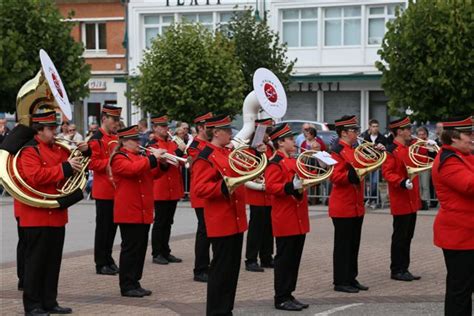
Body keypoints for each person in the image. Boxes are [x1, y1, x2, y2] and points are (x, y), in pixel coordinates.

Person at [15, 111, 89, 315]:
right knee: (35, 264)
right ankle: (32, 305)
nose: (56, 132)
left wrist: (85, 152)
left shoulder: (58, 148)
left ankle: (49, 301)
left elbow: (76, 167)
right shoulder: (29, 151)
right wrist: (65, 168)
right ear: (40, 130)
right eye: (51, 129)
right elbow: (35, 176)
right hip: (36, 215)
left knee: (52, 262)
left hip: (56, 214)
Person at [193, 115, 248, 316]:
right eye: (227, 130)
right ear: (216, 132)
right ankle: (216, 311)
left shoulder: (227, 152)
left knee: (232, 271)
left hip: (236, 219)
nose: (231, 133)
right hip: (221, 220)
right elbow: (200, 188)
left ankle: (226, 309)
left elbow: (241, 172)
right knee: (220, 271)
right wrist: (223, 187)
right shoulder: (205, 156)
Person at [110, 125, 167, 298]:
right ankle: (126, 285)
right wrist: (152, 158)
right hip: (129, 211)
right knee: (130, 249)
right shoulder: (119, 158)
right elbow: (133, 170)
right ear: (124, 142)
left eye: (138, 139)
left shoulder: (138, 157)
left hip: (143, 210)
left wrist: (162, 164)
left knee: (140, 248)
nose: (138, 142)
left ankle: (135, 281)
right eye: (134, 140)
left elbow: (151, 174)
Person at [265, 123, 310, 311]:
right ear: (281, 142)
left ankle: (289, 293)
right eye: (291, 139)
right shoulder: (275, 162)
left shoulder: (292, 160)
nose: (294, 141)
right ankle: (281, 297)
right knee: (284, 260)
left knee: (294, 259)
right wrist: (290, 187)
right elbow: (271, 186)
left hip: (297, 216)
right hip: (285, 217)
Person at [431, 116, 473, 316]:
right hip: (460, 235)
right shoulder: (448, 161)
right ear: (454, 138)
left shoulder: (463, 155)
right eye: (468, 134)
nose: (472, 138)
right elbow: (469, 186)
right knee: (460, 291)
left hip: (467, 233)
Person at [329, 115, 368, 293]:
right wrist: (351, 176)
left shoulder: (353, 149)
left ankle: (351, 277)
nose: (357, 133)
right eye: (354, 130)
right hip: (343, 206)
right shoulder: (336, 150)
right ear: (344, 132)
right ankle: (340, 281)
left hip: (356, 205)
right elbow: (335, 177)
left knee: (353, 244)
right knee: (343, 246)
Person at [382, 117, 422, 282]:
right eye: (408, 129)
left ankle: (404, 267)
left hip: (411, 198)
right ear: (399, 131)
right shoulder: (391, 150)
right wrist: (401, 181)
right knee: (400, 236)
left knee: (408, 236)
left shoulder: (409, 147)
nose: (410, 131)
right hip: (401, 198)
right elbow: (387, 172)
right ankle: (397, 269)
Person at [88, 105, 122, 276]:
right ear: (104, 119)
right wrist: (112, 161)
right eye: (113, 120)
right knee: (103, 228)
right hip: (104, 190)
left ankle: (108, 258)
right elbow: (92, 163)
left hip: (117, 189)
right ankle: (100, 262)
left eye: (117, 120)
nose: (116, 123)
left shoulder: (116, 137)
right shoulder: (96, 138)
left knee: (112, 228)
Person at [149, 115, 186, 265]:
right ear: (155, 128)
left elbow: (178, 163)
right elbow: (167, 160)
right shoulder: (153, 145)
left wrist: (182, 153)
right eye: (162, 126)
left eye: (166, 126)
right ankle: (157, 252)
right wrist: (178, 153)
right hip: (160, 188)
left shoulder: (171, 143)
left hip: (173, 188)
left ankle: (165, 250)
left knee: (168, 221)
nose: (166, 129)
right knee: (160, 222)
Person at [244, 118, 275, 273]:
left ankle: (267, 257)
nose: (269, 135)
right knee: (256, 228)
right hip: (256, 193)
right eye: (266, 132)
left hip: (268, 192)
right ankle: (251, 259)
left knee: (269, 228)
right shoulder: (249, 150)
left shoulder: (269, 148)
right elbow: (248, 168)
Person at [187, 112, 213, 283]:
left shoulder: (209, 144)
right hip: (201, 194)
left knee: (210, 231)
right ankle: (200, 269)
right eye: (209, 127)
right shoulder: (194, 146)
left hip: (209, 193)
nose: (212, 130)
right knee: (204, 232)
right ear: (201, 127)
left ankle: (207, 266)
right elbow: (195, 168)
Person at [361, 119, 387, 208]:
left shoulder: (382, 138)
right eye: (373, 126)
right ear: (370, 127)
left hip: (377, 164)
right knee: (365, 183)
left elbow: (385, 151)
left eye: (376, 126)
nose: (375, 128)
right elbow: (362, 150)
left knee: (374, 182)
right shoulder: (365, 138)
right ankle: (370, 199)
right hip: (367, 163)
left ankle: (374, 200)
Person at [416, 126, 431, 210]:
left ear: (426, 135)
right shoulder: (415, 143)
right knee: (418, 186)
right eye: (419, 134)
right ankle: (419, 202)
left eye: (423, 134)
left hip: (425, 166)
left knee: (425, 185)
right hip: (416, 166)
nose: (421, 136)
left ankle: (426, 203)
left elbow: (431, 154)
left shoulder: (429, 143)